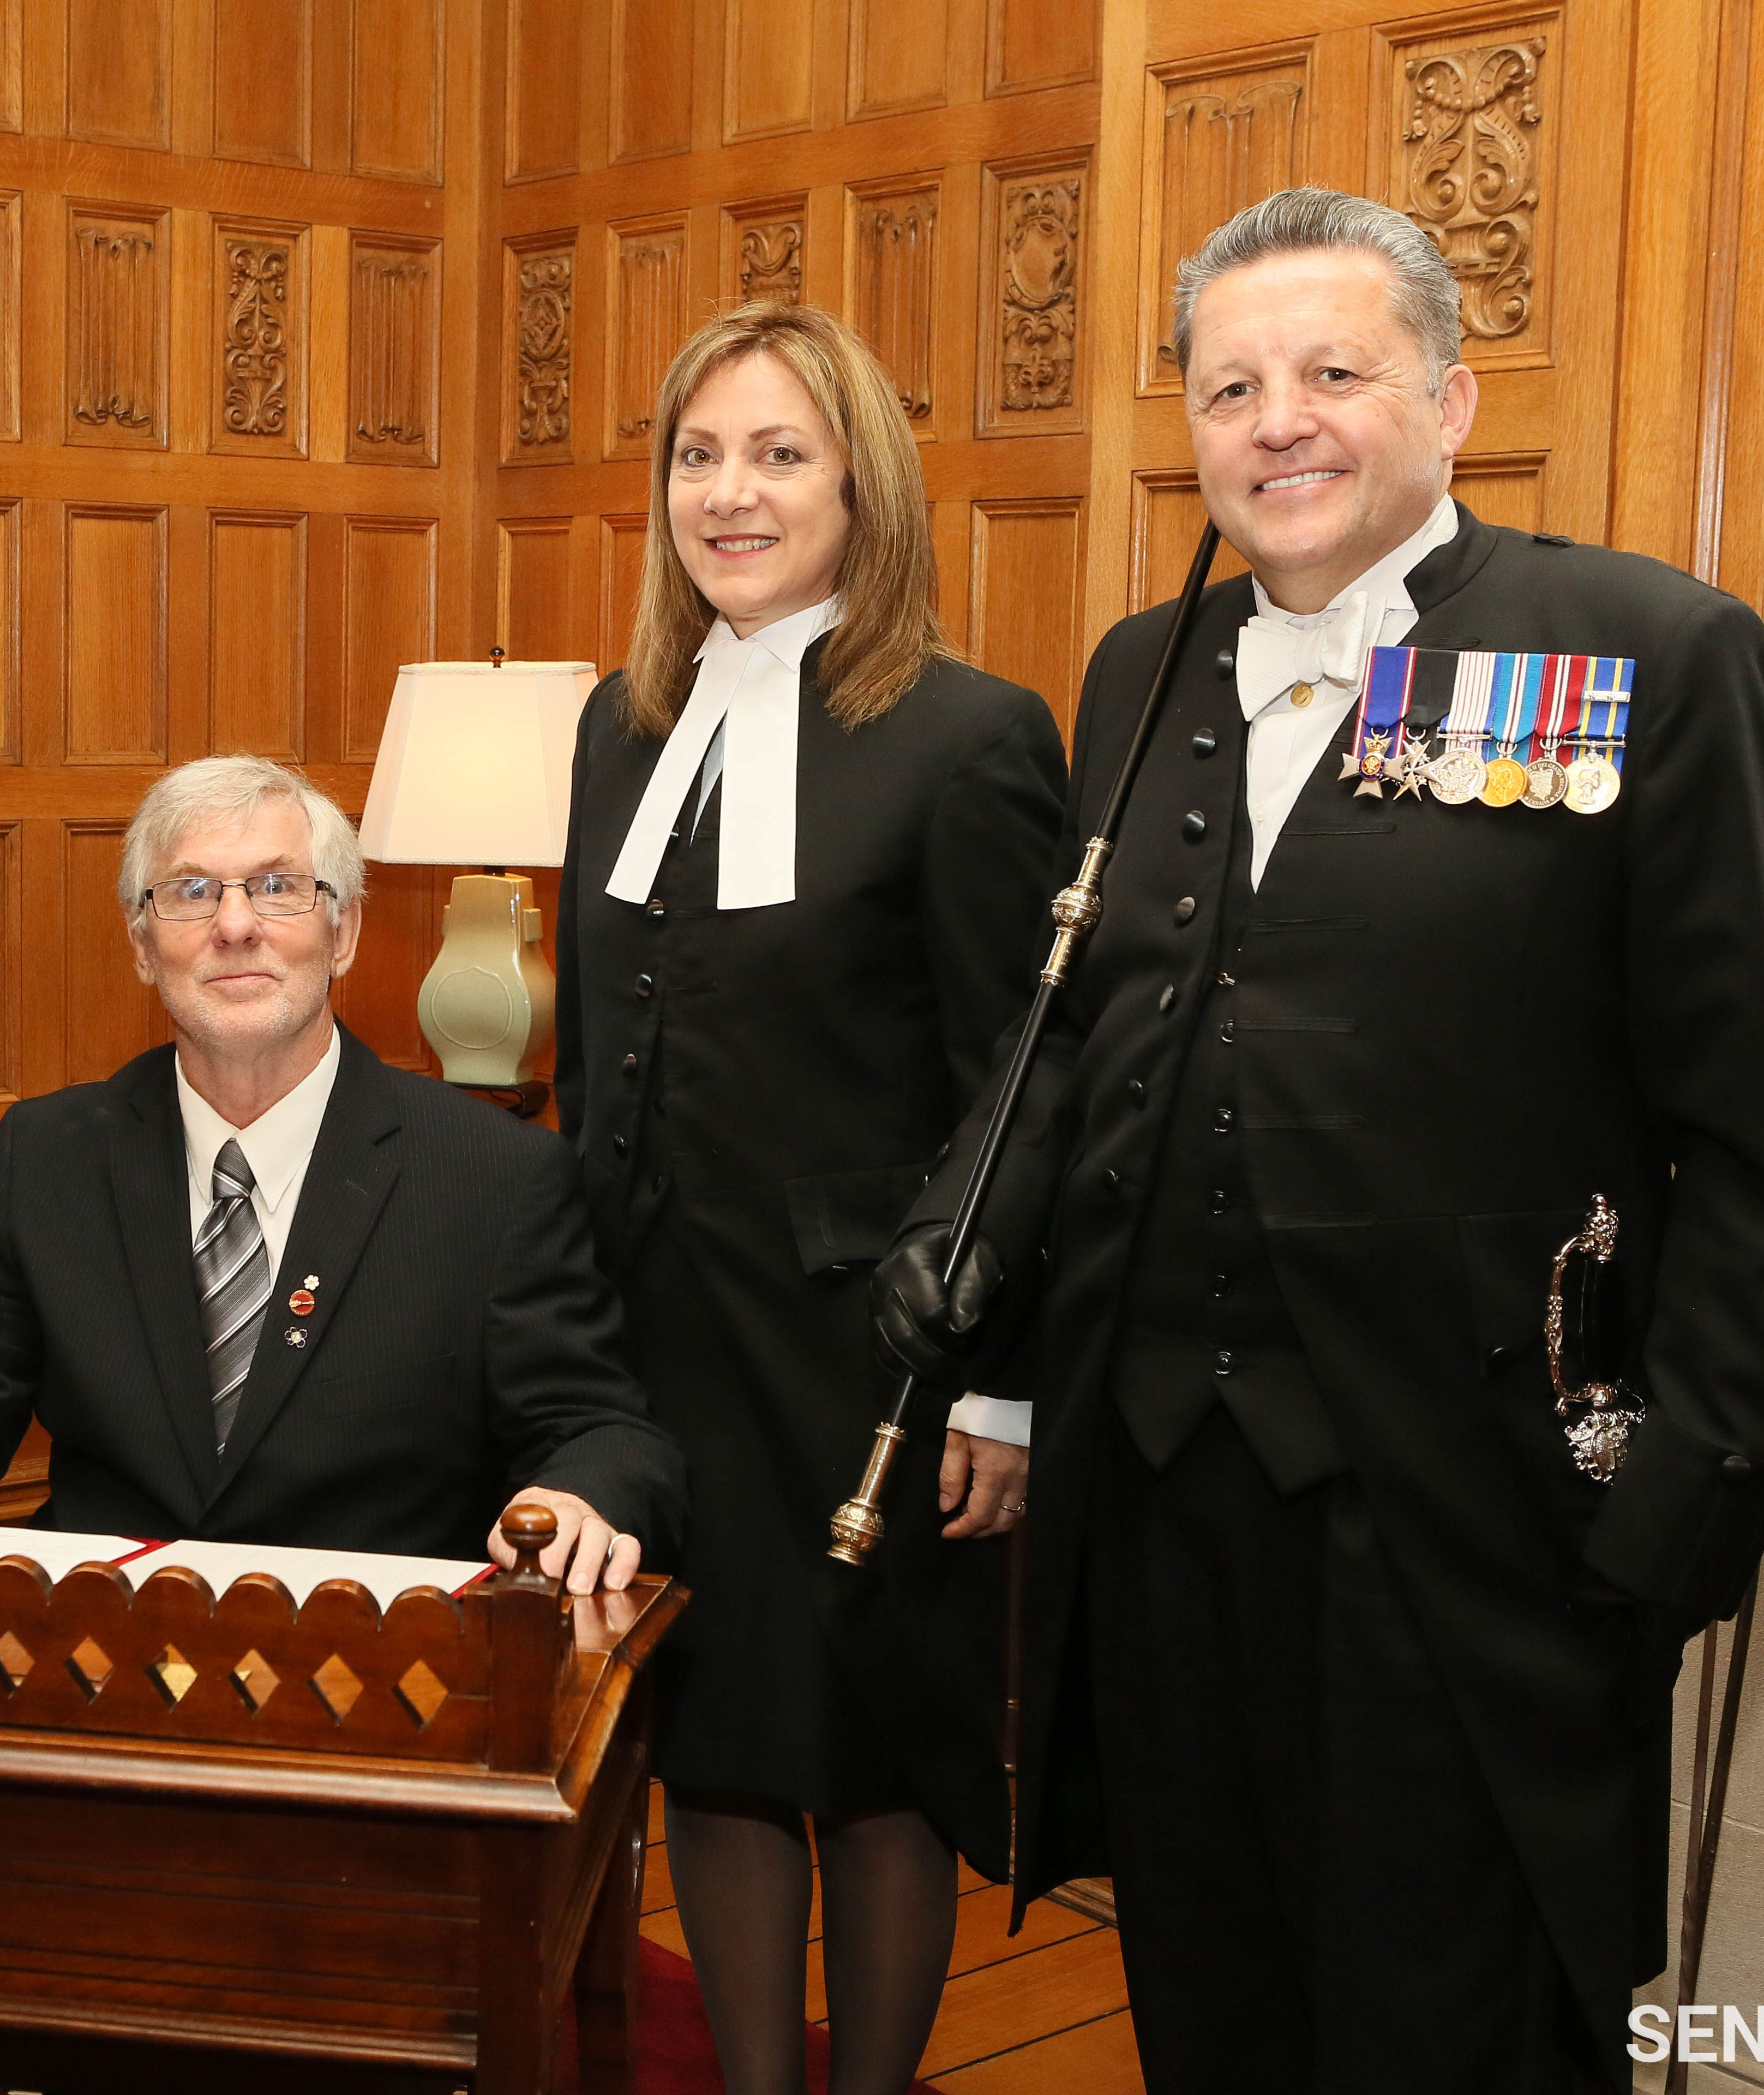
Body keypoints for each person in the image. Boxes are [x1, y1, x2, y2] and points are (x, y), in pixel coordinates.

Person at [871, 189, 1764, 2093]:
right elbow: (1100, 1023)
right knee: (1216, 2013)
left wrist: (1676, 1517)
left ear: (1455, 400)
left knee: (1451, 2033)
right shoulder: (1140, 671)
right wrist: (986, 1318)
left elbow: (1754, 1130)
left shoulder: (1643, 651)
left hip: (1463, 1530)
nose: (1277, 421)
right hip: (1159, 1509)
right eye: (1230, 387)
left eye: (1332, 372)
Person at [551, 303, 1068, 2095]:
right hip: (659, 1339)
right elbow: (597, 1055)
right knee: (719, 1735)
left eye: (778, 454)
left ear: (863, 483)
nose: (732, 492)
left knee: (870, 1753)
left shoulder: (967, 736)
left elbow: (1024, 1086)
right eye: (700, 454)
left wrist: (1001, 1380)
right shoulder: (624, 729)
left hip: (872, 1354)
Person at [0, 757, 685, 1589]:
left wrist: (582, 1496)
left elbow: (600, 1428)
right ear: (142, 944)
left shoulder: (493, 1176)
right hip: (100, 1679)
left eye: (278, 887)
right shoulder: (53, 1157)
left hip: (380, 1696)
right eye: (190, 894)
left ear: (344, 928)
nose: (235, 927)